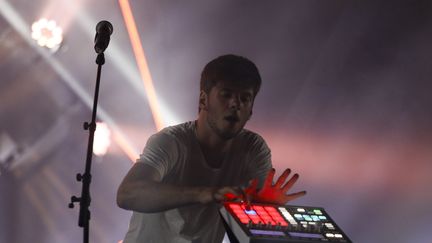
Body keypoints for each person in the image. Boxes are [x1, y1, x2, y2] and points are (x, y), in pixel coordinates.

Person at [116, 54, 306, 243]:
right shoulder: (171, 142)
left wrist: (266, 211)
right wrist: (206, 193)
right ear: (203, 99)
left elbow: (253, 231)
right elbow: (128, 194)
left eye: (245, 98)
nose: (235, 104)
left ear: (251, 110)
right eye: (226, 94)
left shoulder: (254, 148)